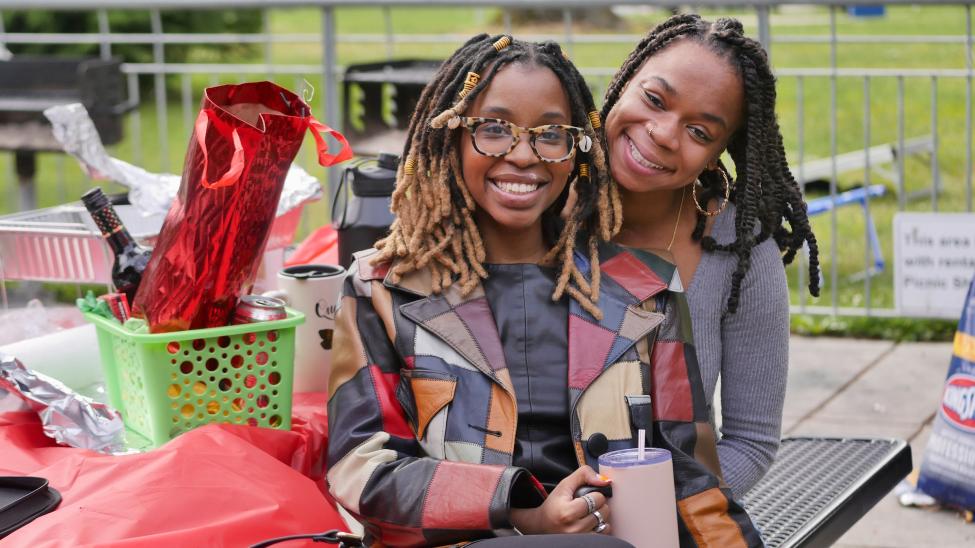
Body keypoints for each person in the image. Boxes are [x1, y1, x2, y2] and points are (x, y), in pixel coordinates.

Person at [326, 34, 762, 547]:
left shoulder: (646, 291)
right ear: (452, 138)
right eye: (493, 129)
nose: (523, 155)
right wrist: (521, 508)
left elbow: (690, 478)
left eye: (550, 134)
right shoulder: (383, 290)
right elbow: (364, 470)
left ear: (577, 148)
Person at [600, 13, 821, 497]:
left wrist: (659, 514)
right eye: (654, 100)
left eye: (700, 132)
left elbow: (751, 442)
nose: (662, 132)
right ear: (624, 80)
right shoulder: (540, 206)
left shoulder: (738, 252)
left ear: (721, 150)